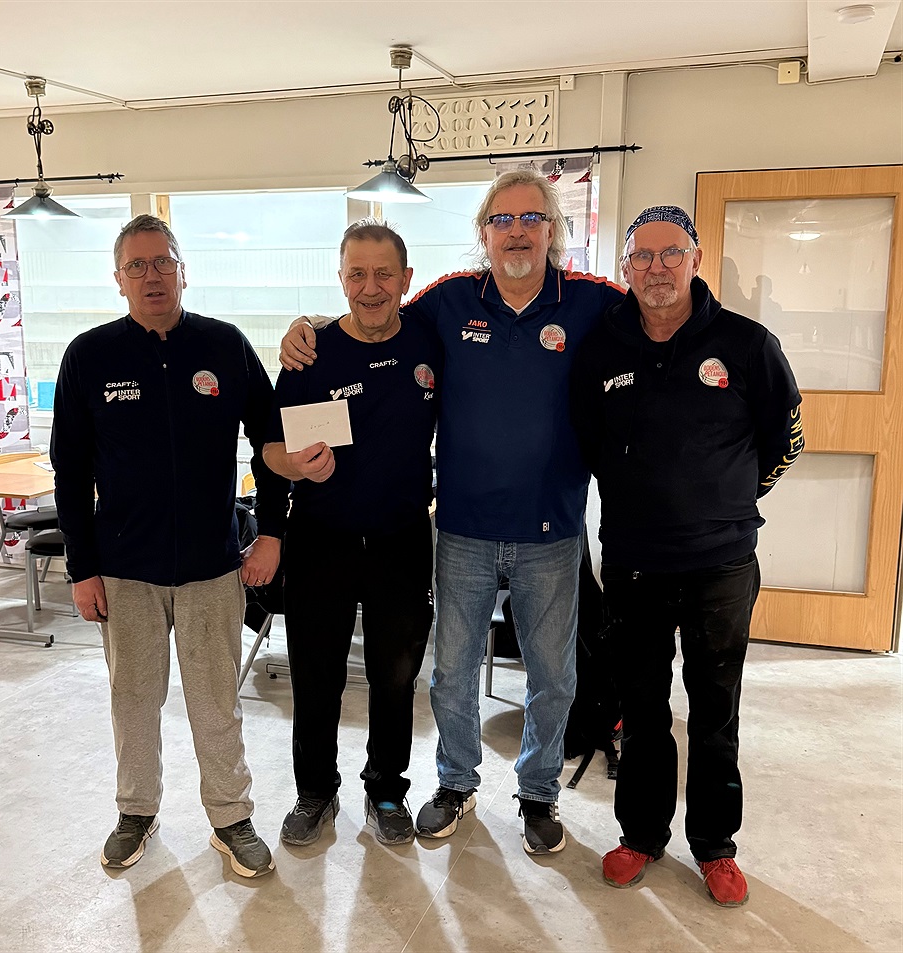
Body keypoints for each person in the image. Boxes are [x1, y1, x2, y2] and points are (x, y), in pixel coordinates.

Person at [281, 170, 625, 854]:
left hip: (551, 529)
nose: (517, 232)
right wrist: (309, 325)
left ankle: (538, 793)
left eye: (532, 219)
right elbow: (374, 318)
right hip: (463, 528)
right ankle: (455, 783)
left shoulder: (592, 301)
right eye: (503, 220)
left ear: (553, 230)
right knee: (450, 674)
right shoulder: (448, 300)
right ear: (484, 233)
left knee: (554, 677)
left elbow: (658, 315)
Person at [570, 205, 803, 906]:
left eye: (671, 253)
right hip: (634, 562)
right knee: (641, 709)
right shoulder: (602, 349)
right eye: (642, 256)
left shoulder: (746, 344)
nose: (657, 268)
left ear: (696, 260)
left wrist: (727, 501)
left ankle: (714, 844)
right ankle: (641, 834)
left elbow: (784, 439)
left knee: (715, 711)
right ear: (626, 268)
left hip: (721, 565)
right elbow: (587, 442)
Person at [51, 214, 288, 878]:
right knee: (133, 701)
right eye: (138, 265)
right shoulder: (89, 355)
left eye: (163, 262)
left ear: (184, 271)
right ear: (119, 279)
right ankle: (136, 811)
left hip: (212, 567)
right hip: (125, 570)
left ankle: (231, 818)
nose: (151, 276)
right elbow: (70, 469)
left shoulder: (225, 345)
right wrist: (82, 568)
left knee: (216, 703)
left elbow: (271, 442)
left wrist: (272, 532)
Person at [262, 221, 440, 847]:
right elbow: (270, 451)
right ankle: (315, 791)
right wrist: (289, 478)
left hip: (401, 541)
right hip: (321, 541)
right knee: (316, 676)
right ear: (340, 279)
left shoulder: (430, 341)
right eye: (357, 274)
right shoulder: (310, 354)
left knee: (396, 675)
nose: (371, 288)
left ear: (406, 280)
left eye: (383, 274)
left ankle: (386, 789)